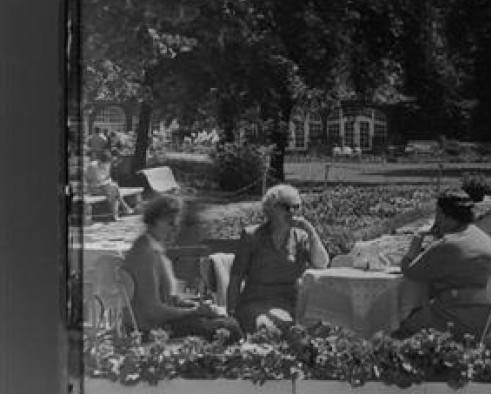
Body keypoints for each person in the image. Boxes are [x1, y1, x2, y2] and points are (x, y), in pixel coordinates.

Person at [122, 195, 241, 340]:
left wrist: (193, 306)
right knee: (230, 328)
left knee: (226, 319)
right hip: (149, 330)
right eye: (170, 223)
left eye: (176, 225)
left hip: (161, 323)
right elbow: (152, 311)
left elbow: (168, 299)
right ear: (154, 221)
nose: (174, 229)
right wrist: (194, 312)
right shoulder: (146, 254)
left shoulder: (153, 248)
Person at [395, 194, 491, 339]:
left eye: (438, 214)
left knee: (400, 328)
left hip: (465, 319)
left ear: (444, 215)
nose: (436, 220)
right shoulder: (480, 237)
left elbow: (409, 270)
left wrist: (418, 236)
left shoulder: (449, 244)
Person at [226, 183, 329, 334]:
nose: (292, 212)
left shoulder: (300, 237)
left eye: (296, 207)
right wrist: (232, 313)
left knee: (324, 325)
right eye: (286, 207)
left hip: (290, 302)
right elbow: (236, 278)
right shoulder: (252, 236)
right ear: (270, 208)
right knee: (267, 327)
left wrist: (311, 232)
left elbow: (322, 264)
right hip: (256, 301)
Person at [84, 134, 134, 220]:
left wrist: (108, 182)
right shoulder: (93, 166)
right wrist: (107, 183)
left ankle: (117, 214)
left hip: (104, 188)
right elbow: (96, 181)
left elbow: (107, 178)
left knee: (114, 191)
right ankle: (122, 210)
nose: (106, 166)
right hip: (93, 189)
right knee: (114, 189)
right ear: (101, 161)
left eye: (107, 164)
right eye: (105, 164)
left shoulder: (107, 165)